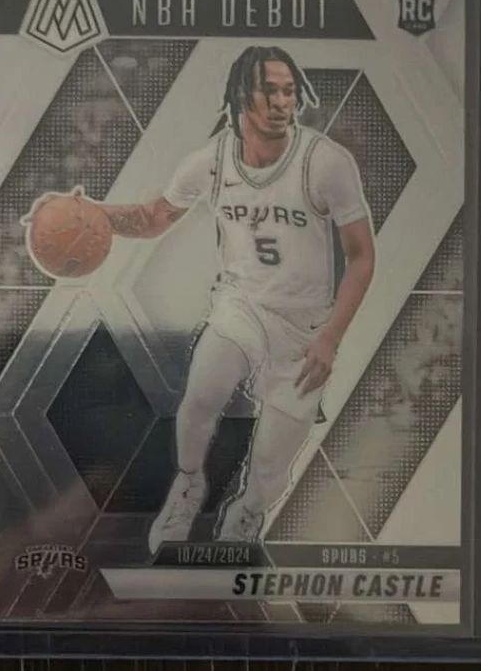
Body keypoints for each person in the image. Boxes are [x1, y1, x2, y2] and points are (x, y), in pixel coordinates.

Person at [101, 46, 375, 551]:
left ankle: (247, 513)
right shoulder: (210, 162)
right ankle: (188, 485)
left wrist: (331, 338)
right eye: (269, 90)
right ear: (241, 94)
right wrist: (95, 217)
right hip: (241, 303)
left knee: (270, 466)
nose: (281, 101)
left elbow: (361, 257)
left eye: (289, 91)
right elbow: (154, 218)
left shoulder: (326, 163)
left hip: (304, 328)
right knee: (202, 393)